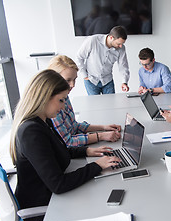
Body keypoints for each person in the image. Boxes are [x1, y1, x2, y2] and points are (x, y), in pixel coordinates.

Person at [9, 70, 120, 211]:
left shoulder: (43, 121)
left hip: (53, 198)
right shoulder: (31, 132)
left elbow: (57, 149)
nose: (63, 107)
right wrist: (97, 166)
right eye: (61, 100)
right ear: (45, 97)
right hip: (44, 206)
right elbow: (58, 184)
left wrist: (87, 151)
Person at [48, 55, 121, 147]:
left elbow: (74, 126)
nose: (72, 85)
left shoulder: (65, 96)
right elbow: (68, 142)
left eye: (74, 79)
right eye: (68, 80)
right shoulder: (51, 106)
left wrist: (103, 128)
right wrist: (101, 136)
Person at [77, 26, 130, 95]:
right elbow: (79, 57)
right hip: (91, 80)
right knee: (95, 105)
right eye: (118, 44)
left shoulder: (121, 48)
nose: (120, 46)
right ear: (111, 37)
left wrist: (124, 82)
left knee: (111, 104)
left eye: (122, 44)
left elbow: (123, 66)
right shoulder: (93, 40)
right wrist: (84, 75)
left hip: (107, 81)